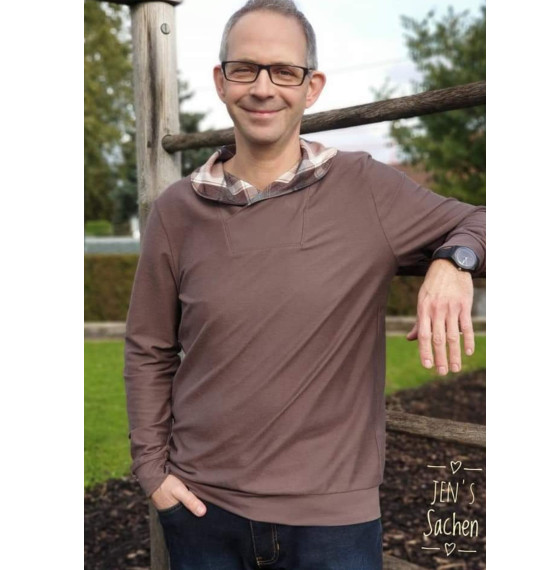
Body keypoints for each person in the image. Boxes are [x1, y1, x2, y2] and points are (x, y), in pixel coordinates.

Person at [123, 1, 486, 568]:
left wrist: (454, 261)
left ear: (311, 87)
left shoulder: (364, 187)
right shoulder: (176, 210)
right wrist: (152, 473)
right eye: (245, 69)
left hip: (332, 525)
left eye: (284, 71)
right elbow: (148, 346)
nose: (263, 87)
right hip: (200, 511)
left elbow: (489, 221)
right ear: (221, 81)